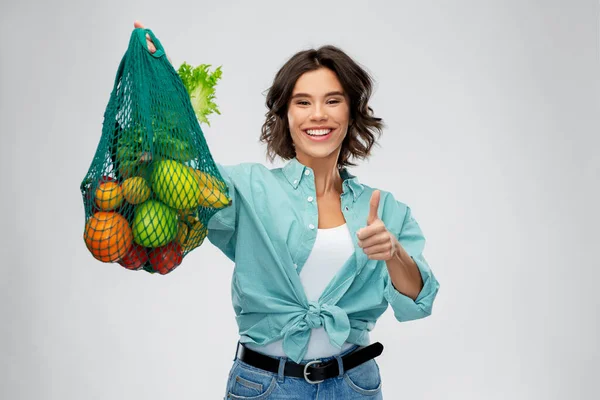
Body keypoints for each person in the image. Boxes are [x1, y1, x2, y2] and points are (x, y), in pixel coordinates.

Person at [133, 20, 440, 399]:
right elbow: (179, 181)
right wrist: (159, 76)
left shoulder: (385, 208)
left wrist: (393, 252)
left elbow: (419, 302)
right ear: (285, 114)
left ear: (351, 111)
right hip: (265, 386)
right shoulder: (246, 189)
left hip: (354, 386)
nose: (318, 115)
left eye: (332, 100)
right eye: (303, 102)